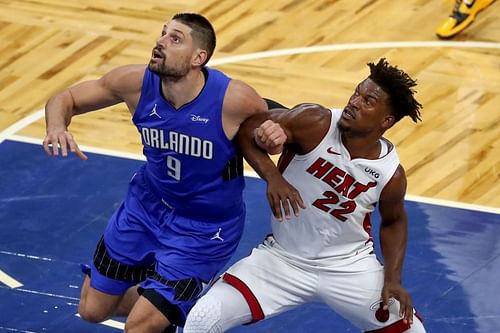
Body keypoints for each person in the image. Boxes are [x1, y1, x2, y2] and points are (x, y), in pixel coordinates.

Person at [42, 13, 285, 333]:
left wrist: (277, 133)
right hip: (144, 209)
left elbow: (278, 122)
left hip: (204, 229)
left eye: (175, 39)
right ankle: (178, 307)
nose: (160, 42)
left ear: (199, 58)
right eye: (163, 34)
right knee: (91, 310)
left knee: (139, 327)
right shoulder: (135, 84)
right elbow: (67, 97)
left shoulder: (233, 99)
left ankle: (167, 309)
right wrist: (57, 126)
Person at [183, 58, 427, 332]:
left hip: (348, 266)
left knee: (413, 331)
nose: (355, 102)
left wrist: (392, 279)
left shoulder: (390, 174)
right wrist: (273, 177)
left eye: (368, 101)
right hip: (282, 260)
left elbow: (394, 222)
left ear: (386, 120)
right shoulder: (316, 122)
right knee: (202, 319)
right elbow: (247, 128)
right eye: (357, 92)